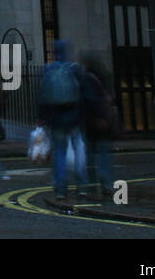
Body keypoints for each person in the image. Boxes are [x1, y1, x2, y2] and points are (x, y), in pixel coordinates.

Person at [38, 38, 88, 198]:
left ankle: (61, 189)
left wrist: (42, 118)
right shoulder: (74, 69)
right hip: (74, 118)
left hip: (56, 120)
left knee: (59, 153)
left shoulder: (48, 70)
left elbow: (42, 97)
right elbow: (83, 95)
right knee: (79, 151)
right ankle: (82, 187)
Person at [80, 53, 116, 200]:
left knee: (90, 156)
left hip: (89, 123)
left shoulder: (86, 79)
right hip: (103, 123)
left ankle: (90, 184)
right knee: (103, 155)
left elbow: (85, 101)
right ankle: (106, 184)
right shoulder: (104, 78)